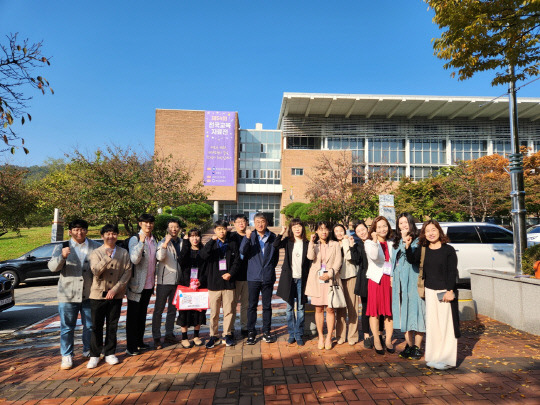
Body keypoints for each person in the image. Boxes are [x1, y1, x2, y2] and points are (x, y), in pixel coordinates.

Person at [406, 220, 460, 370]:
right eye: (427, 230)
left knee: (446, 326)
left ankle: (447, 359)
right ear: (424, 234)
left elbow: (452, 272)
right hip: (430, 291)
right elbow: (412, 260)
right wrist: (408, 245)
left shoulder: (448, 250)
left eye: (433, 230)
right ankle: (434, 356)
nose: (431, 233)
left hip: (445, 292)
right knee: (433, 325)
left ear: (439, 231)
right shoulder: (423, 249)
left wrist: (450, 291)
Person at [48, 219, 101, 370]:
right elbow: (52, 267)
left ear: (87, 230)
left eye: (82, 229)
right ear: (70, 231)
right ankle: (67, 355)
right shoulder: (62, 247)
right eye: (76, 230)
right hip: (68, 294)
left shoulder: (96, 246)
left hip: (89, 293)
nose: (80, 232)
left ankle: (87, 350)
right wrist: (62, 257)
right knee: (67, 327)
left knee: (90, 326)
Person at [86, 224, 132, 368]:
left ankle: (110, 352)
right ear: (102, 236)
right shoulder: (96, 253)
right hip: (98, 295)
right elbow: (95, 271)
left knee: (112, 325)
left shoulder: (124, 252)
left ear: (117, 235)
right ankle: (94, 354)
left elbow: (127, 272)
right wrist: (107, 258)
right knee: (96, 326)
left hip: (115, 296)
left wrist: (116, 290)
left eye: (113, 233)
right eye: (107, 233)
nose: (111, 236)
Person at [240, 213, 280, 345]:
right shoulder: (251, 236)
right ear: (254, 223)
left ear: (266, 222)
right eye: (257, 222)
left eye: (262, 221)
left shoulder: (272, 237)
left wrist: (268, 269)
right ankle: (251, 332)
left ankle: (267, 331)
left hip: (268, 277)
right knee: (252, 306)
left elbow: (275, 257)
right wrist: (246, 238)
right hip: (253, 277)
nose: (260, 224)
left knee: (267, 306)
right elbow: (243, 251)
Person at [200, 220, 240, 348]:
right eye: (219, 229)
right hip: (214, 283)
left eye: (223, 229)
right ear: (215, 230)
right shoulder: (211, 244)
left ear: (226, 230)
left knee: (229, 311)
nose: (221, 231)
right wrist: (212, 241)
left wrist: (231, 273)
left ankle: (227, 334)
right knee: (214, 312)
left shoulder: (232, 244)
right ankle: (214, 336)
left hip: (228, 283)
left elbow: (237, 261)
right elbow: (203, 256)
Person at [392, 213, 426, 360]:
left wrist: (407, 244)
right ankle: (409, 345)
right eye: (400, 223)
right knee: (403, 312)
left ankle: (417, 347)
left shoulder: (418, 240)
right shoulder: (396, 241)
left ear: (411, 223)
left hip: (413, 280)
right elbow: (394, 262)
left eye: (406, 222)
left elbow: (413, 260)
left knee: (417, 311)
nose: (403, 226)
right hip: (400, 283)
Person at [305, 221, 342, 350]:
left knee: (330, 309)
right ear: (317, 231)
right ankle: (321, 336)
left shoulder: (335, 244)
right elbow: (310, 257)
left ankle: (329, 337)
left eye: (325, 229)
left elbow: (338, 262)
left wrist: (330, 273)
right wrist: (311, 242)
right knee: (319, 309)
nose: (323, 231)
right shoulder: (314, 245)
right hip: (317, 280)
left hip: (330, 280)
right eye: (320, 229)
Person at [274, 218, 311, 346]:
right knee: (289, 308)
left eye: (299, 226)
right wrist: (281, 232)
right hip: (289, 279)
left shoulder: (307, 243)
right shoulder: (288, 242)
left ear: (302, 228)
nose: (297, 229)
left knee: (300, 308)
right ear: (291, 229)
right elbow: (275, 245)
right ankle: (291, 334)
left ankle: (299, 334)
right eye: (294, 226)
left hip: (302, 278)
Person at [126, 213, 158, 355]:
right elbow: (134, 259)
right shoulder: (135, 239)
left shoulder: (154, 239)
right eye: (145, 223)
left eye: (151, 223)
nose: (148, 225)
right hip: (136, 285)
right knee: (133, 316)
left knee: (142, 315)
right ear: (140, 224)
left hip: (149, 284)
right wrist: (141, 243)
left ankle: (139, 341)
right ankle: (131, 346)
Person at [365, 216, 395, 355]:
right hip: (376, 280)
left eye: (385, 226)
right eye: (379, 227)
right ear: (374, 230)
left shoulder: (392, 242)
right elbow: (375, 257)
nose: (382, 229)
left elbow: (395, 262)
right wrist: (376, 241)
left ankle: (388, 340)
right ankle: (376, 339)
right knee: (375, 312)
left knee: (389, 312)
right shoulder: (369, 243)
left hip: (389, 280)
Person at [152, 219, 183, 349]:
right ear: (167, 229)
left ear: (179, 229)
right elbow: (160, 257)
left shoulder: (182, 243)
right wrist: (165, 243)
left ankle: (169, 334)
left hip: (177, 282)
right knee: (158, 310)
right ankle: (157, 337)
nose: (174, 229)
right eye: (171, 227)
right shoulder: (161, 243)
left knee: (172, 310)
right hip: (164, 282)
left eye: (176, 227)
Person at [353, 221, 382, 349]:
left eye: (363, 229)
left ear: (367, 228)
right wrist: (351, 247)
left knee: (378, 307)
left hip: (377, 277)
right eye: (358, 231)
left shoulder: (375, 241)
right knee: (365, 307)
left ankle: (379, 334)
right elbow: (356, 260)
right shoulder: (358, 244)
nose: (362, 232)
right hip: (365, 278)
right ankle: (366, 335)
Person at [177, 228, 207, 348]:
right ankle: (184, 338)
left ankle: (196, 336)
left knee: (198, 311)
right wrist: (184, 242)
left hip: (200, 285)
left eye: (197, 236)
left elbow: (207, 269)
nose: (195, 239)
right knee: (184, 311)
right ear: (188, 238)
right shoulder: (185, 251)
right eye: (192, 236)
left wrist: (201, 281)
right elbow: (181, 260)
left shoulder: (203, 251)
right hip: (186, 285)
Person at [333, 224, 360, 346]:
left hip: (351, 276)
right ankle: (340, 335)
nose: (339, 233)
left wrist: (346, 242)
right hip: (338, 278)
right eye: (336, 231)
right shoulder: (333, 245)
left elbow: (350, 257)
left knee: (352, 307)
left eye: (341, 231)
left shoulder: (349, 242)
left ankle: (353, 335)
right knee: (340, 309)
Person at [229, 214, 249, 338]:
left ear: (247, 223)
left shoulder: (251, 237)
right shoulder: (231, 237)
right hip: (234, 277)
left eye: (243, 221)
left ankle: (245, 327)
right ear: (234, 224)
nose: (241, 224)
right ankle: (230, 328)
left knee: (246, 304)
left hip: (248, 275)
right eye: (238, 222)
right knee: (231, 304)